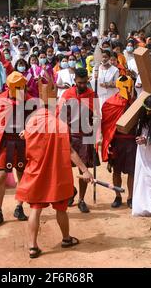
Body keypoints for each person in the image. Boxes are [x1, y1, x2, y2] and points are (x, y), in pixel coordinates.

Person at [16, 76, 94, 258]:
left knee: (35, 209)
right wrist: (85, 169)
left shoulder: (31, 123)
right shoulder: (59, 124)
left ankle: (32, 246)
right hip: (55, 173)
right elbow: (70, 151)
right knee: (61, 209)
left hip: (36, 172)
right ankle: (66, 238)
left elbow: (27, 138)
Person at [0, 72, 35, 226]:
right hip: (5, 142)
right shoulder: (0, 100)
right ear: (8, 87)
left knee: (22, 176)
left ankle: (19, 207)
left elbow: (35, 121)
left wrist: (28, 131)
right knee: (1, 176)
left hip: (23, 143)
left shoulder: (30, 101)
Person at [59, 68, 100, 213]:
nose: (82, 85)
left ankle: (81, 199)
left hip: (85, 136)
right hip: (69, 135)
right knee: (63, 168)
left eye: (85, 82)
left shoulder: (92, 95)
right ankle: (71, 191)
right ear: (75, 81)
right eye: (79, 83)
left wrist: (97, 133)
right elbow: (60, 115)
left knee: (84, 169)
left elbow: (96, 116)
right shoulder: (67, 94)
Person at [101, 76, 136, 208]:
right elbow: (107, 125)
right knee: (116, 171)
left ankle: (131, 197)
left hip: (132, 142)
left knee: (132, 171)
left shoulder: (135, 104)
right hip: (117, 142)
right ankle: (117, 196)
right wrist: (108, 143)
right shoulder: (110, 103)